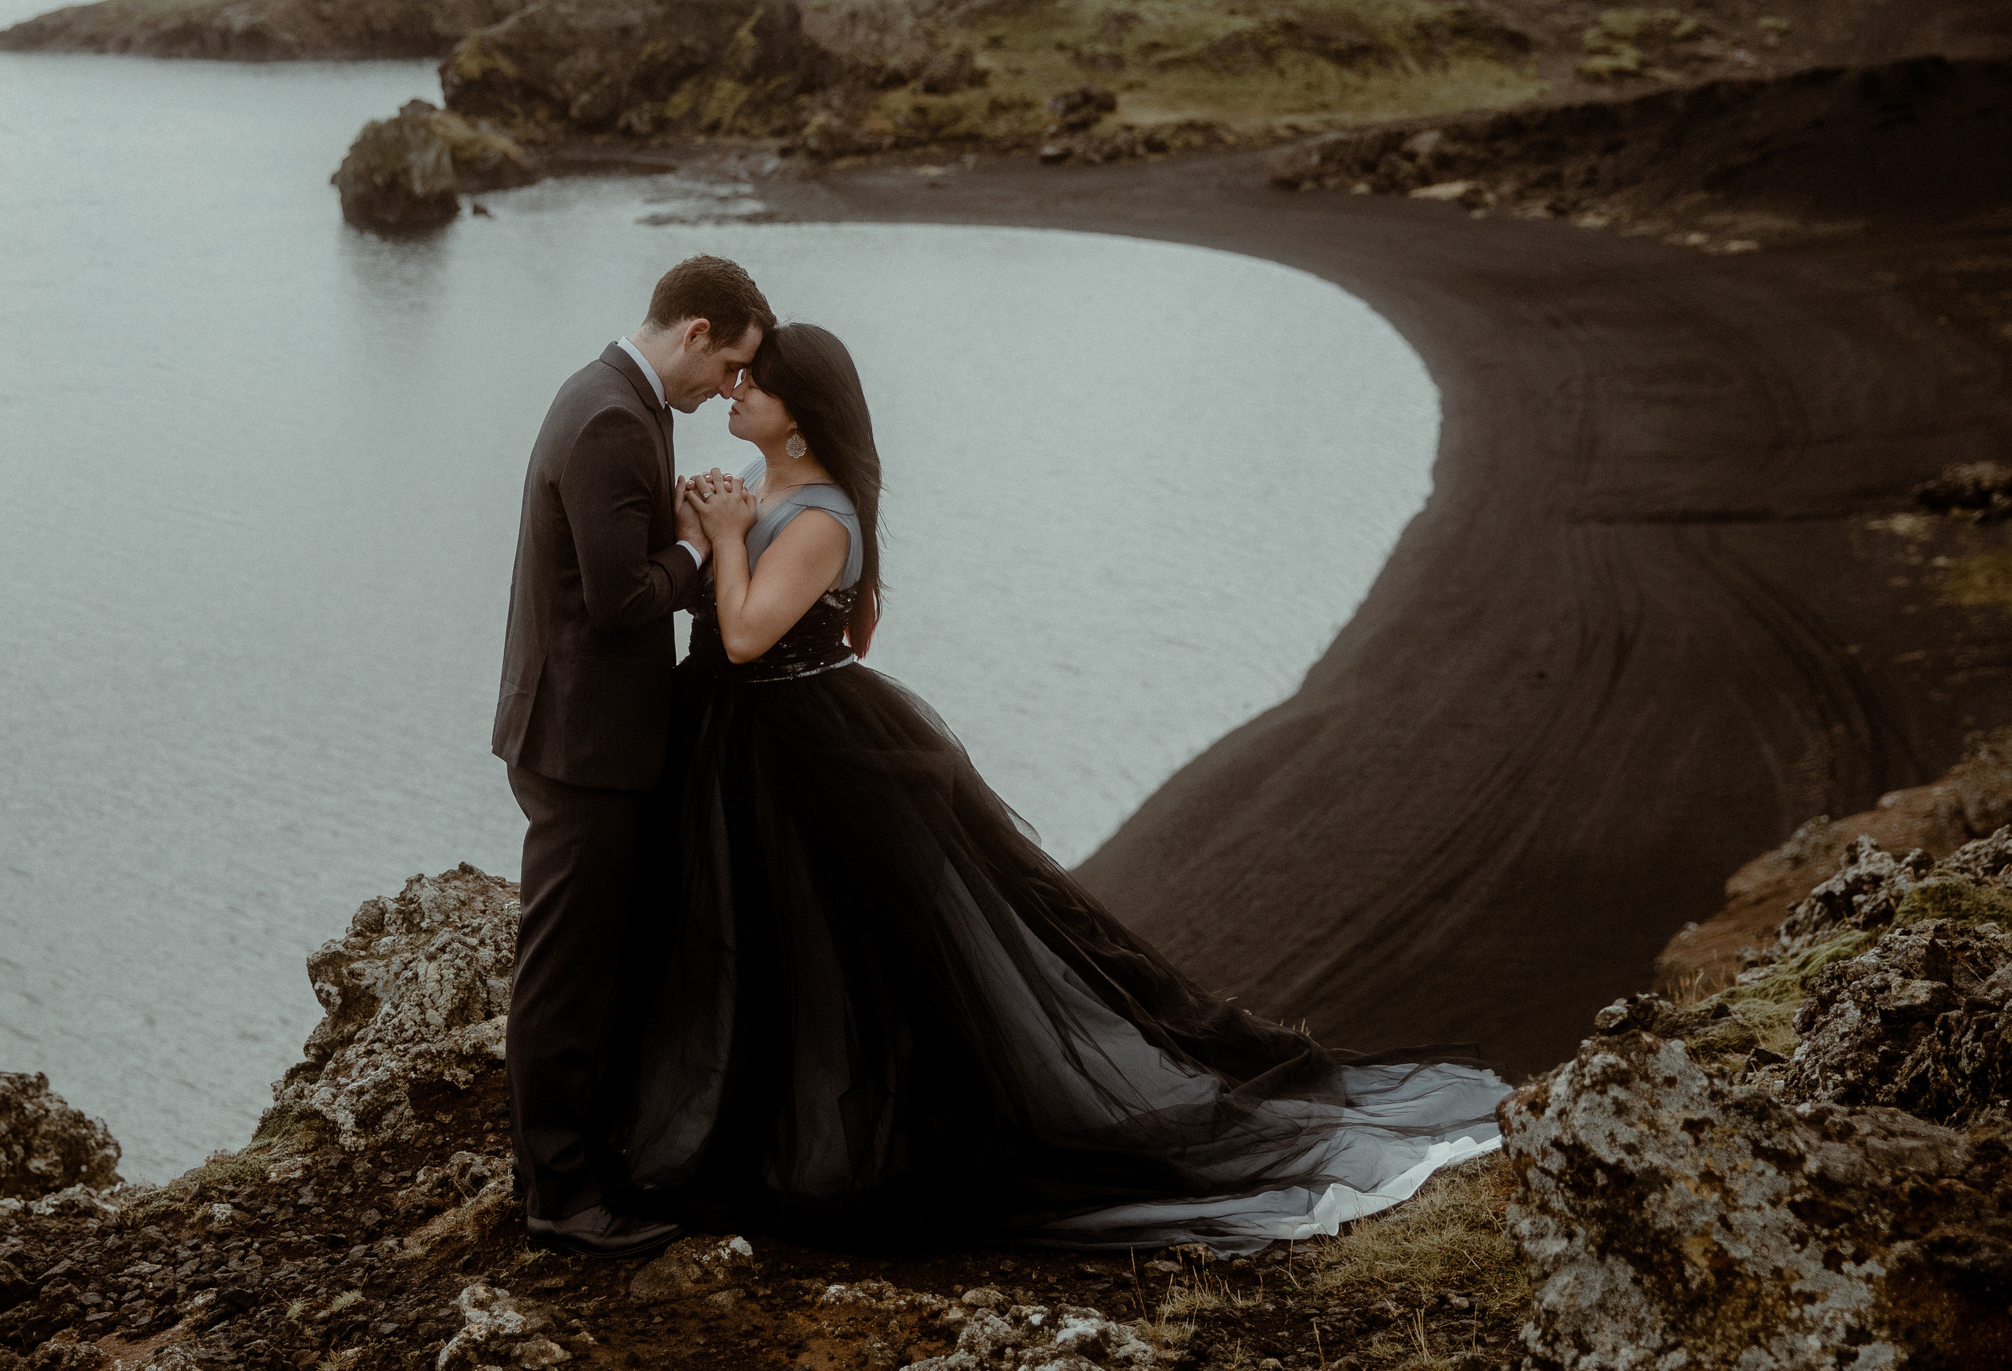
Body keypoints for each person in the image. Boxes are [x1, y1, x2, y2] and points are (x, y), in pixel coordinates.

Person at [623, 322, 1509, 1252]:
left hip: (804, 755)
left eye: (753, 383)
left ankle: (839, 1145)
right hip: (747, 746)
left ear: (800, 417)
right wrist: (704, 529)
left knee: (844, 960)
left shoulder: (819, 515)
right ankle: (749, 1120)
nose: (734, 391)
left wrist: (720, 536)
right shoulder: (771, 490)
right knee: (772, 952)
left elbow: (751, 634)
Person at [493, 253, 773, 1259]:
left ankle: (567, 1162)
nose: (729, 390)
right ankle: (559, 1198)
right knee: (562, 973)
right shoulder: (614, 416)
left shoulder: (614, 397)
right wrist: (701, 546)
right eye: (730, 365)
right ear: (695, 332)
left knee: (584, 961)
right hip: (581, 743)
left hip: (580, 730)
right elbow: (617, 604)